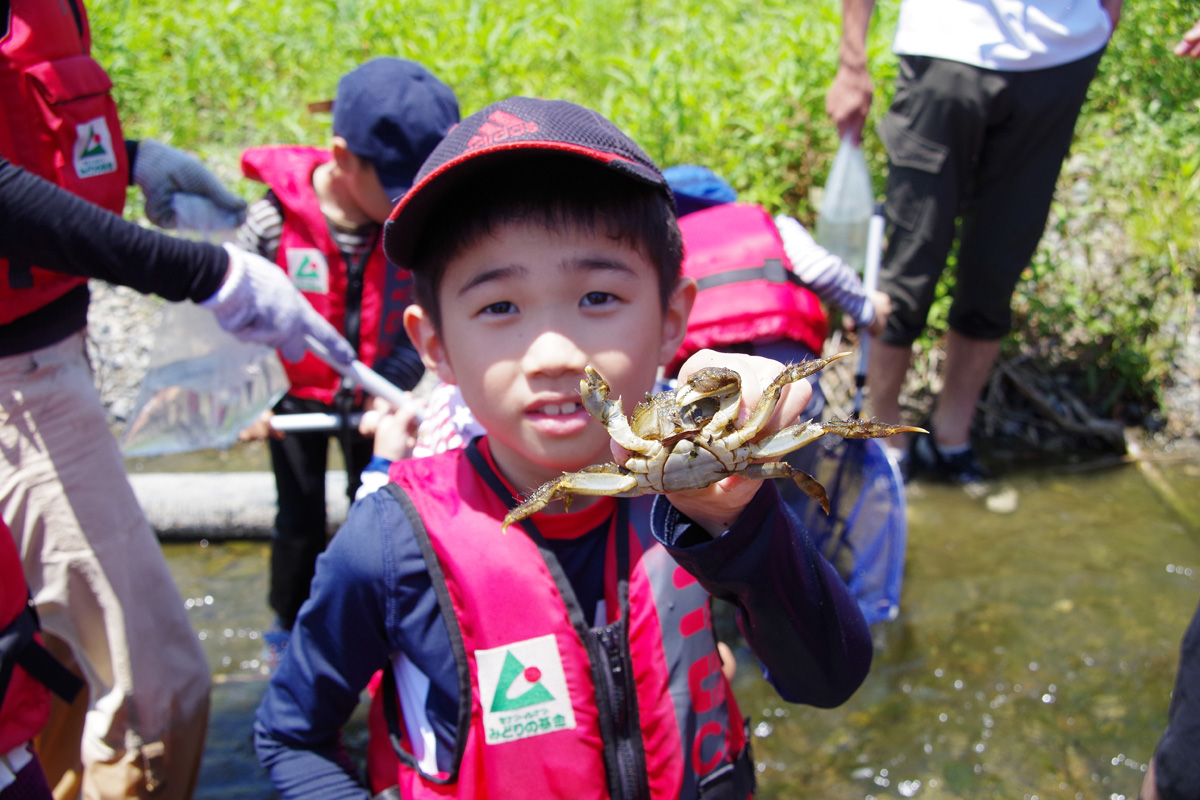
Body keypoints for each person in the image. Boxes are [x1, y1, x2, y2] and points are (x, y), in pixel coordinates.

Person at [253, 96, 874, 799]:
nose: (552, 354)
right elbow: (290, 735)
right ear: (436, 346)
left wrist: (741, 520)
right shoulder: (389, 545)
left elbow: (830, 679)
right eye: (499, 307)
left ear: (673, 320)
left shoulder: (703, 509)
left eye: (598, 298)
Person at [0, 1, 354, 795]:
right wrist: (204, 274)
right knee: (158, 687)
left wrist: (121, 158)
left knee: (52, 663)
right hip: (19, 382)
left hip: (55, 352)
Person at [825, 0, 1122, 484]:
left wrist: (1101, 19)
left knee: (998, 263)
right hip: (946, 46)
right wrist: (852, 62)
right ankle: (886, 438)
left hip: (1060, 55)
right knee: (909, 261)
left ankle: (952, 440)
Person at [234, 57, 459, 645]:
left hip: (376, 405)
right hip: (291, 402)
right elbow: (233, 320)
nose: (406, 204)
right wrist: (247, 396)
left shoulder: (417, 232)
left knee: (382, 513)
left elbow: (425, 325)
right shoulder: (269, 221)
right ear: (340, 157)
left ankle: (381, 629)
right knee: (298, 521)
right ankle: (289, 628)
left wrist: (391, 388)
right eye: (395, 189)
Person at [663, 163, 890, 422]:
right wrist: (867, 310)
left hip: (699, 387)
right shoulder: (772, 225)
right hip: (786, 370)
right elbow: (823, 271)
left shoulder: (664, 244)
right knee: (796, 436)